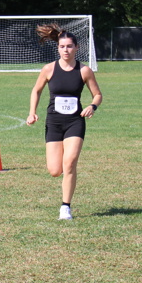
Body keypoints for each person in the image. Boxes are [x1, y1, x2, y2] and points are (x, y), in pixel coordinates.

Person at [25, 24, 102, 220]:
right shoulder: (49, 69)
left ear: (76, 47)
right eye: (62, 47)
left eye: (69, 46)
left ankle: (65, 207)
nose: (65, 50)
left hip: (75, 122)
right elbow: (36, 90)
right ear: (58, 48)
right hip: (54, 123)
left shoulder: (84, 71)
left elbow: (97, 95)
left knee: (69, 163)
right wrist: (32, 112)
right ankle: (65, 186)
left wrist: (92, 106)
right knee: (55, 170)